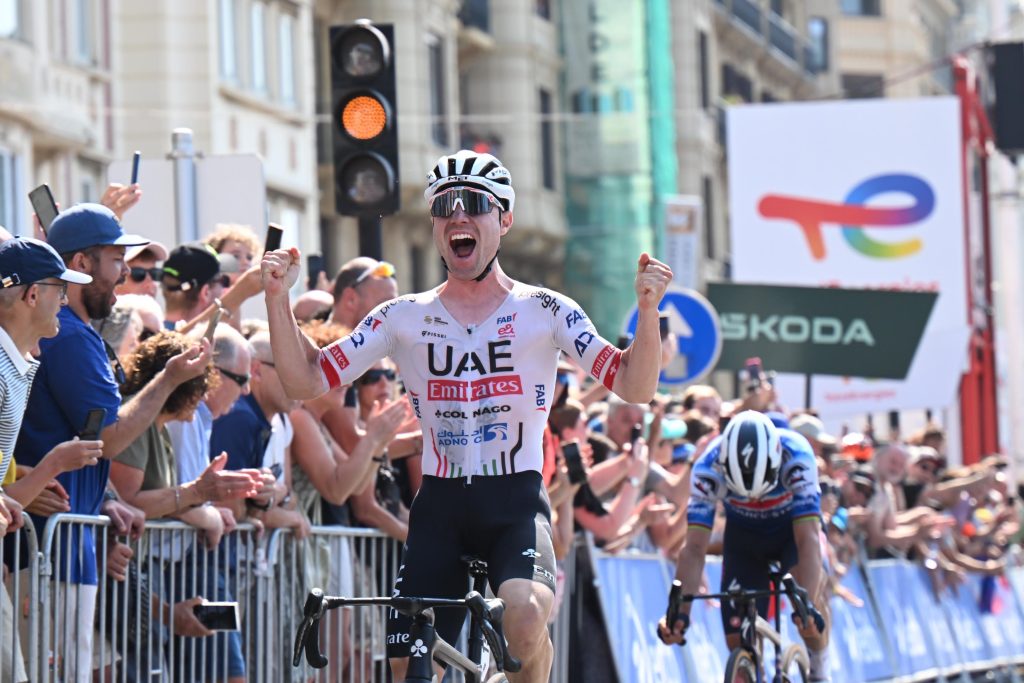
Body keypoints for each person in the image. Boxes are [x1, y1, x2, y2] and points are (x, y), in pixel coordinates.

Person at [262, 149, 672, 682]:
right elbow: (305, 380)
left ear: (504, 220)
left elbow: (634, 387)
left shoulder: (545, 310)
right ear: (435, 225)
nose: (458, 214)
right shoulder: (402, 317)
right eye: (444, 206)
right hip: (440, 507)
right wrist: (276, 299)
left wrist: (647, 313)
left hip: (514, 500)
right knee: (407, 668)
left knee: (524, 621)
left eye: (474, 204)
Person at [15, 204, 210, 683]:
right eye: (117, 258)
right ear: (81, 264)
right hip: (46, 554)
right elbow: (106, 437)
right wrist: (166, 380)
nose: (125, 272)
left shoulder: (76, 336)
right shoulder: (70, 339)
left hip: (66, 547)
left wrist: (104, 498)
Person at [658, 411, 833, 682]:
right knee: (736, 639)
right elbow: (693, 549)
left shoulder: (797, 456)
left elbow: (808, 538)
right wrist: (679, 613)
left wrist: (806, 604)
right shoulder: (706, 469)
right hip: (744, 539)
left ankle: (820, 669)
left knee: (810, 616)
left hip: (791, 533)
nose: (753, 496)